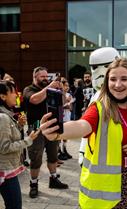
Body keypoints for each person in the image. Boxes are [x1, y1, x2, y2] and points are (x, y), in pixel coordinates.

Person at [40, 58, 127, 209]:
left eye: (124, 79)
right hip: (104, 200)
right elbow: (81, 125)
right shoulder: (99, 109)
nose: (118, 84)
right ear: (107, 83)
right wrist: (57, 133)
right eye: (113, 79)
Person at [23, 66, 68, 199]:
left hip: (52, 127)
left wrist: (61, 91)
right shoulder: (29, 89)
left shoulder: (50, 88)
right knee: (36, 158)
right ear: (35, 77)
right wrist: (49, 88)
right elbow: (34, 100)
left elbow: (63, 102)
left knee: (53, 156)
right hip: (36, 129)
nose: (45, 79)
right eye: (42, 76)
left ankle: (53, 179)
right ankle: (33, 184)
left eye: (47, 76)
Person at [78, 47, 121, 166]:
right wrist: (82, 149)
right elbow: (86, 123)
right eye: (95, 67)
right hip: (101, 157)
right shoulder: (97, 96)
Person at [0, 80, 39, 209]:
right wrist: (28, 140)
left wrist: (19, 125)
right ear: (2, 96)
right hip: (5, 171)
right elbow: (5, 147)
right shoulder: (3, 117)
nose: (16, 95)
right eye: (12, 92)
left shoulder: (6, 115)